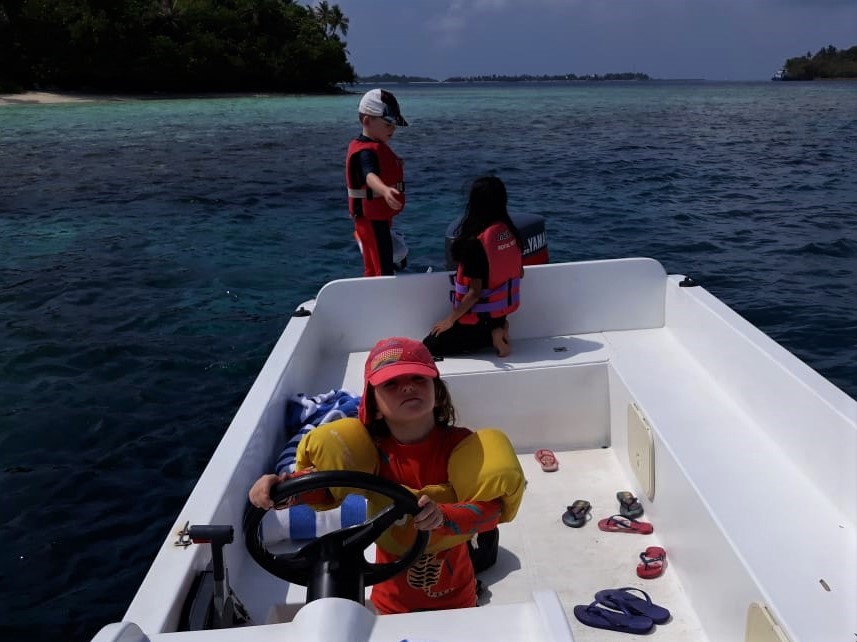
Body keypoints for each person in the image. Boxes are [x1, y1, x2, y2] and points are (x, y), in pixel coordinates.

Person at [249, 336, 525, 615]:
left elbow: (492, 512)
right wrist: (281, 490)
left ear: (437, 392)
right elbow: (325, 490)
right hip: (389, 602)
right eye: (391, 384)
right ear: (374, 405)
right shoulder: (368, 454)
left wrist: (444, 516)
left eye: (419, 378)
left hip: (458, 599)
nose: (407, 386)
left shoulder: (464, 447)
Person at [424, 176, 524, 358]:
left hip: (478, 321)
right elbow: (519, 273)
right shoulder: (510, 233)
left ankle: (491, 336)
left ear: (474, 204)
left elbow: (474, 293)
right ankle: (499, 328)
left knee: (429, 345)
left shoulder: (475, 244)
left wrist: (450, 320)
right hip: (500, 314)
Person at [345, 88, 408, 277]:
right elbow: (369, 176)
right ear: (367, 120)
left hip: (377, 217)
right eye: (388, 124)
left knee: (376, 264)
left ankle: (372, 294)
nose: (393, 128)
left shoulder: (375, 148)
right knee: (382, 268)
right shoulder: (366, 152)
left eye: (394, 124)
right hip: (372, 219)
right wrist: (386, 190)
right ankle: (383, 298)